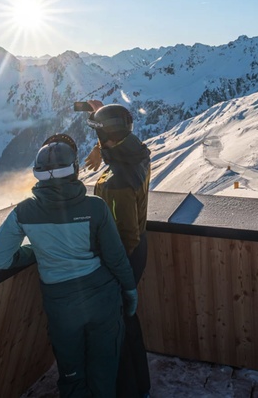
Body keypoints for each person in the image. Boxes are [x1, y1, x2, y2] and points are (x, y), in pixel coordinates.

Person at [0, 134, 137, 398]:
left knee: (71, 373)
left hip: (61, 307)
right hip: (102, 300)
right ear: (74, 171)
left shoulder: (24, 212)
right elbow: (116, 258)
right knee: (104, 369)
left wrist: (37, 250)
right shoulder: (96, 207)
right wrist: (130, 290)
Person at [84, 103, 152, 398]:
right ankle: (142, 387)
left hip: (121, 261)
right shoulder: (138, 154)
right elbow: (122, 138)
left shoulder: (116, 184)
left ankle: (128, 390)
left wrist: (114, 277)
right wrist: (103, 116)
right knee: (129, 322)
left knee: (117, 333)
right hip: (139, 251)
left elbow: (125, 238)